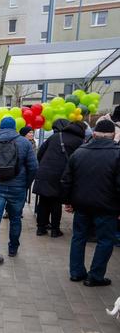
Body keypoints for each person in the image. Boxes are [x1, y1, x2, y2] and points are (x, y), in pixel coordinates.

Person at [61, 119, 120, 287]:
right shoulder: (117, 154)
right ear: (113, 135)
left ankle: (76, 272)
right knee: (105, 240)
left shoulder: (79, 152)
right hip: (107, 206)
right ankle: (95, 275)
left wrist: (68, 201)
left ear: (94, 134)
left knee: (78, 237)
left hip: (82, 204)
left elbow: (66, 180)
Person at [0, 117, 38, 266]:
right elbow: (33, 167)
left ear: (0, 127)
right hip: (18, 188)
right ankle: (13, 249)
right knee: (15, 219)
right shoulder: (24, 143)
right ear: (14, 127)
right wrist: (26, 185)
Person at [33, 119, 86, 237]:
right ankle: (55, 230)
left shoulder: (56, 136)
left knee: (43, 201)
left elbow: (40, 153)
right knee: (56, 202)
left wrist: (44, 165)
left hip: (45, 172)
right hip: (61, 174)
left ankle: (41, 228)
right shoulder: (79, 141)